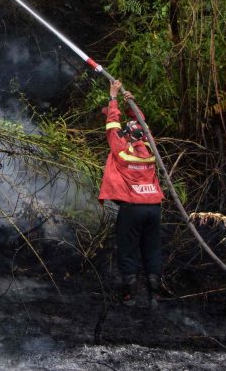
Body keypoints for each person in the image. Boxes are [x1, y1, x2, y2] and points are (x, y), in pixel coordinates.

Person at [99, 79, 164, 306]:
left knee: (127, 250)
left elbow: (112, 125)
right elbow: (141, 124)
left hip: (132, 209)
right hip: (154, 208)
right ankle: (155, 295)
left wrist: (113, 96)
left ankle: (129, 295)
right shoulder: (150, 150)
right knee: (152, 250)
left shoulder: (122, 150)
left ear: (127, 135)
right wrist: (131, 106)